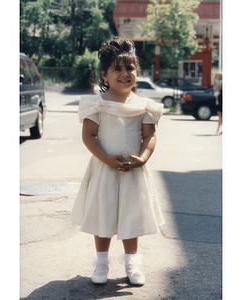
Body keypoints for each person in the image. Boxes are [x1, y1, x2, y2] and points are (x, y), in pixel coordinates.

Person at [70, 37, 165, 286]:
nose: (125, 74)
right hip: (105, 169)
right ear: (105, 74)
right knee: (103, 215)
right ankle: (101, 263)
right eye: (117, 69)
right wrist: (106, 159)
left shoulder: (145, 106)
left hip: (133, 171)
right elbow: (88, 136)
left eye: (130, 68)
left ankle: (132, 263)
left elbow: (149, 137)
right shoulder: (97, 104)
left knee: (131, 216)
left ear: (137, 72)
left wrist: (142, 158)